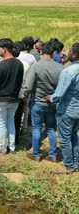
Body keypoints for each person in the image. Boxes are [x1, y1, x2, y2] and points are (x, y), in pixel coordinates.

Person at [23, 41, 63, 162]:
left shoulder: (36, 66)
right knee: (51, 129)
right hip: (52, 102)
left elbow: (28, 87)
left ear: (41, 51)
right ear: (54, 53)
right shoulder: (60, 67)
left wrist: (24, 97)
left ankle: (36, 154)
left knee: (36, 128)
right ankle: (53, 155)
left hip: (38, 102)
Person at [0, 38, 24, 154]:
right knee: (11, 122)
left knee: (1, 124)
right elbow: (19, 83)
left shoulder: (1, 66)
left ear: (4, 49)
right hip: (14, 99)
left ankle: (2, 148)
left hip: (0, 100)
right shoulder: (19, 64)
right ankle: (12, 147)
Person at [46, 43, 79, 174]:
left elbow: (59, 94)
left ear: (75, 55)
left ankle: (68, 166)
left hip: (67, 110)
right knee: (73, 136)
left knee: (65, 139)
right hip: (77, 110)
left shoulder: (68, 72)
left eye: (70, 51)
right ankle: (76, 162)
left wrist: (50, 98)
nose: (68, 53)